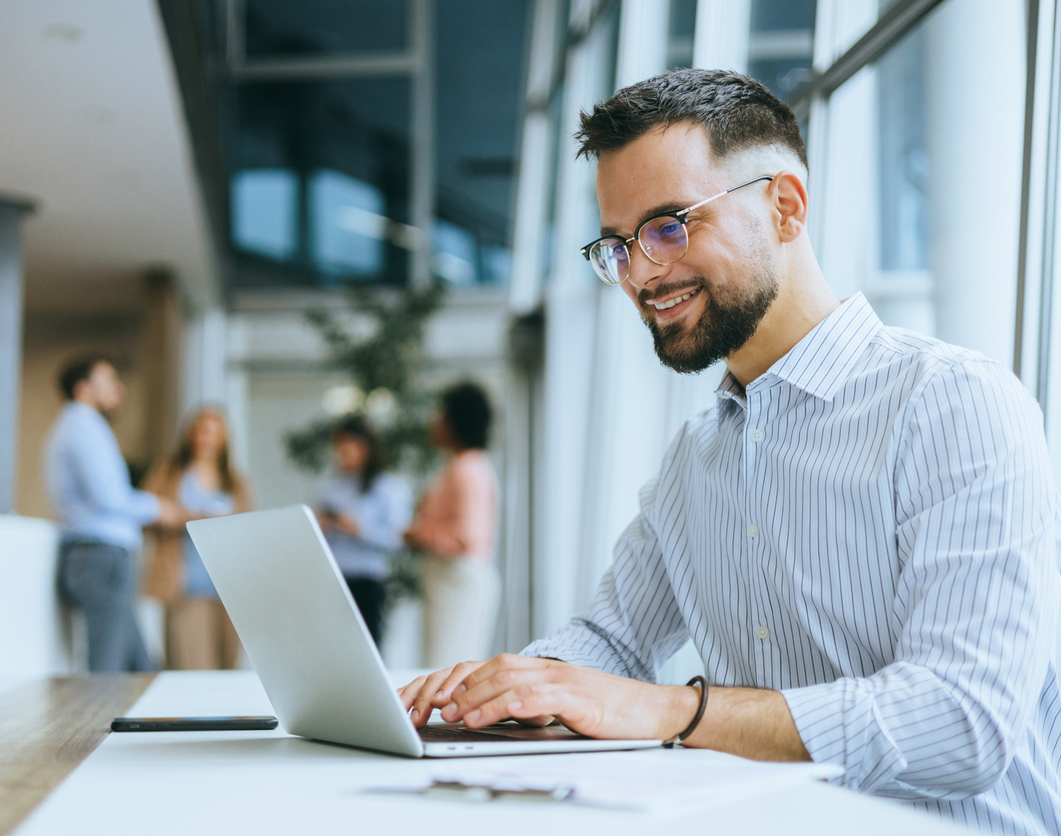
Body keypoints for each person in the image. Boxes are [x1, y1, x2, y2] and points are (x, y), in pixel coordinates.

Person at [398, 69, 1061, 835]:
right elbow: (611, 641)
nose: (641, 273)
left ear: (785, 207)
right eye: (618, 245)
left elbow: (959, 722)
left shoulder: (953, 406)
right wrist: (493, 692)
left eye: (671, 224)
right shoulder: (699, 454)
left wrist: (670, 709)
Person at [44, 356, 182, 672]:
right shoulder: (83, 427)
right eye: (108, 382)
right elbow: (109, 497)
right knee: (108, 669)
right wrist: (159, 508)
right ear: (82, 389)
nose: (119, 389)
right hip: (100, 556)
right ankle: (96, 724)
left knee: (139, 666)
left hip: (100, 556)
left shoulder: (78, 427)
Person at [143, 407, 252, 670]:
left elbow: (248, 531)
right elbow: (145, 514)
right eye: (202, 430)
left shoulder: (235, 482)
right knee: (192, 669)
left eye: (215, 432)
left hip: (227, 591)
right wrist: (184, 517)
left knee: (226, 669)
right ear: (190, 434)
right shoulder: (168, 474)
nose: (207, 438)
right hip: (186, 588)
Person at [405, 382, 499, 668]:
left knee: (447, 666)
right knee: (444, 663)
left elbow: (466, 537)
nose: (435, 422)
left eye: (442, 415)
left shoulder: (467, 469)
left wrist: (417, 533)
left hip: (457, 581)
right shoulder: (461, 466)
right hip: (449, 580)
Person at [316, 416, 412, 645]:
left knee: (368, 647)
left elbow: (399, 540)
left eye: (350, 447)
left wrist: (359, 529)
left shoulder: (390, 488)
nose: (343, 454)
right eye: (339, 448)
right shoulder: (331, 489)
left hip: (368, 582)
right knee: (334, 648)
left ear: (366, 448)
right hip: (334, 580)